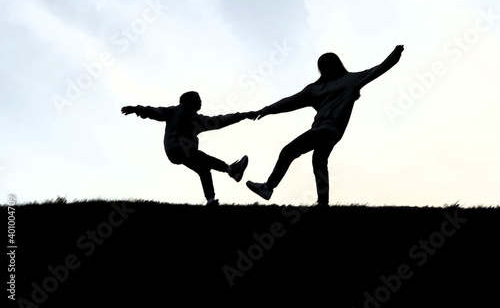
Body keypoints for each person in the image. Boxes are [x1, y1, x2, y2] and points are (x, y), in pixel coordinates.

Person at [246, 45, 405, 205]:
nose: (324, 67)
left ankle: (268, 187)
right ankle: (323, 203)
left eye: (327, 63)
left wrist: (395, 54)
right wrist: (266, 110)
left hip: (326, 129)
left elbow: (379, 69)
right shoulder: (316, 89)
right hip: (330, 131)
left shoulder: (349, 81)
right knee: (319, 160)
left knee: (289, 151)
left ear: (335, 65)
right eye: (322, 64)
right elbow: (290, 102)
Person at [122, 91, 255, 206]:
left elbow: (219, 121)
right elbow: (155, 111)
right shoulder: (174, 111)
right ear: (187, 100)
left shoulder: (196, 118)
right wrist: (136, 109)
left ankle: (210, 200)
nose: (200, 101)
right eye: (197, 98)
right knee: (202, 158)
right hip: (177, 148)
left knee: (204, 169)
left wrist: (241, 116)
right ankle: (231, 170)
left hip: (178, 153)